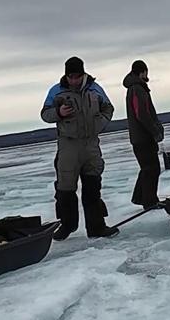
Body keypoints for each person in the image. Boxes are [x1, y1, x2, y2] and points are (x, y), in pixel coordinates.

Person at [40, 56, 119, 239]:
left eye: (77, 76)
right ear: (66, 75)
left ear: (83, 74)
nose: (74, 80)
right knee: (65, 189)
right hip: (68, 145)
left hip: (91, 145)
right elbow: (45, 114)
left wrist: (100, 123)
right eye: (70, 76)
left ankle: (97, 227)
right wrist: (58, 113)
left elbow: (108, 108)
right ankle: (67, 226)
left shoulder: (95, 89)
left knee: (92, 187)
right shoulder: (56, 91)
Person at [123, 59, 164, 210]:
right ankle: (149, 201)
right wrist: (155, 131)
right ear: (143, 72)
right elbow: (142, 113)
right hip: (143, 137)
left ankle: (140, 197)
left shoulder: (136, 88)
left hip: (141, 137)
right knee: (151, 169)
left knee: (148, 168)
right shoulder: (137, 89)